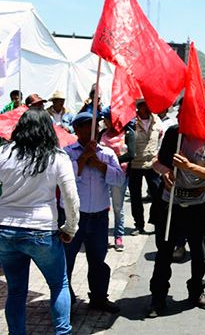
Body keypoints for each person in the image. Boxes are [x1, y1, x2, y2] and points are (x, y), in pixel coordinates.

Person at [0, 109, 80, 335]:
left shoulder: (3, 154)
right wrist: (70, 228)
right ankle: (62, 333)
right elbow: (71, 198)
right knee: (59, 285)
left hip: (5, 230)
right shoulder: (56, 156)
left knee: (16, 291)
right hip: (41, 230)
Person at [147, 114, 205, 317]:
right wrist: (164, 172)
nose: (184, 120)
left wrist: (189, 167)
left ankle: (197, 291)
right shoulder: (173, 135)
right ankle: (158, 298)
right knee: (164, 253)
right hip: (170, 204)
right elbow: (156, 162)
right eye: (182, 115)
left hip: (198, 206)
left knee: (199, 254)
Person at [63, 111, 124, 313]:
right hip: (73, 217)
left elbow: (119, 179)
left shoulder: (106, 153)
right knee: (66, 261)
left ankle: (99, 297)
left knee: (98, 260)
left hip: (98, 217)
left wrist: (98, 164)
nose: (92, 130)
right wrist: (83, 158)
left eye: (94, 126)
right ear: (78, 130)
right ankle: (66, 301)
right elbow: (66, 177)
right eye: (86, 126)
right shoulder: (67, 152)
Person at [98, 107, 136, 252]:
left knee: (118, 207)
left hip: (119, 175)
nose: (105, 122)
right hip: (101, 175)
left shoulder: (128, 134)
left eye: (106, 119)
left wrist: (112, 161)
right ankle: (102, 236)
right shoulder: (102, 134)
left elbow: (131, 154)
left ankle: (118, 235)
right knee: (102, 206)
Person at [128, 100, 162, 236]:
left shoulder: (157, 121)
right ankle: (139, 225)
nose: (147, 108)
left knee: (158, 195)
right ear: (138, 108)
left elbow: (161, 140)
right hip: (135, 164)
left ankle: (157, 221)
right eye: (144, 105)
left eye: (148, 105)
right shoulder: (131, 122)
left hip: (152, 164)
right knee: (135, 197)